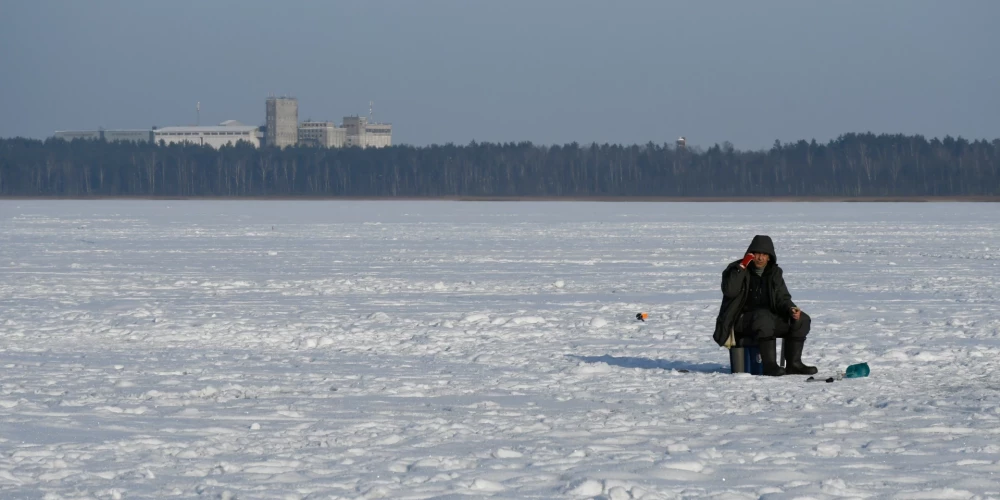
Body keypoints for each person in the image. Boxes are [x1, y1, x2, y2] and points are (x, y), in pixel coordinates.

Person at [713, 235, 817, 376]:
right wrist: (742, 266)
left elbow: (782, 297)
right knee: (764, 318)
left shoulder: (774, 272)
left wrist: (791, 309)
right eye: (757, 253)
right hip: (741, 321)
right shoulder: (736, 269)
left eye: (764, 254)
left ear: (769, 257)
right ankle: (769, 366)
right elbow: (730, 291)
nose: (760, 258)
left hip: (765, 321)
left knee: (802, 319)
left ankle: (794, 364)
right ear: (750, 254)